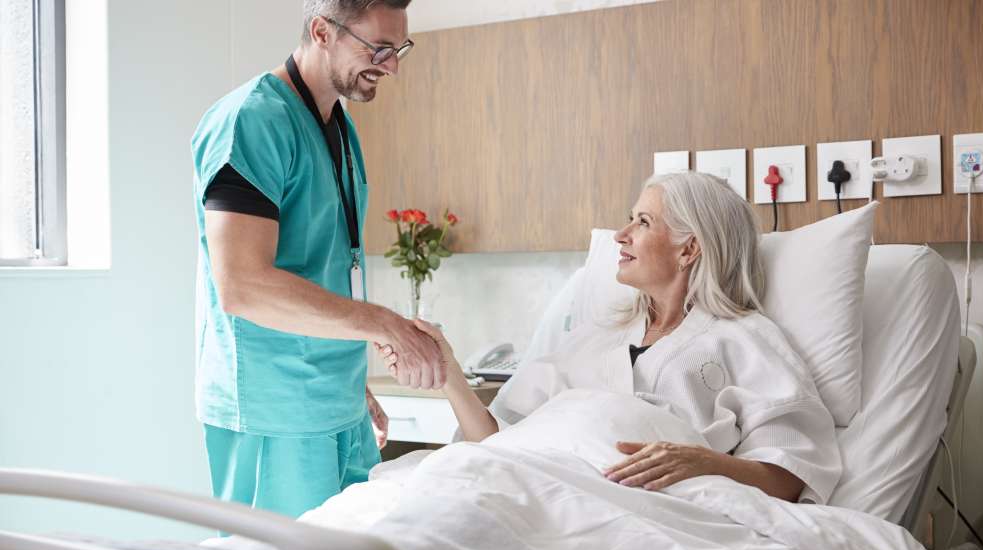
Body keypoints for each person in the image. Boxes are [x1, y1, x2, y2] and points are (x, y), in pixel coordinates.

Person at [378, 172, 841, 504]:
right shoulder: (596, 337)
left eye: (642, 222)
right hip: (542, 490)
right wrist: (449, 371)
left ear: (690, 247)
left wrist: (703, 462)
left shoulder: (745, 339)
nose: (621, 235)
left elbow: (789, 476)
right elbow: (496, 443)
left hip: (648, 511)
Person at [190, 0, 445, 519]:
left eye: (398, 49)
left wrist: (350, 382)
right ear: (321, 31)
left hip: (337, 404)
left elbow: (325, 264)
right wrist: (387, 328)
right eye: (378, 48)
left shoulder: (338, 126)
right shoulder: (252, 122)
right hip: (274, 410)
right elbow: (242, 285)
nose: (392, 65)